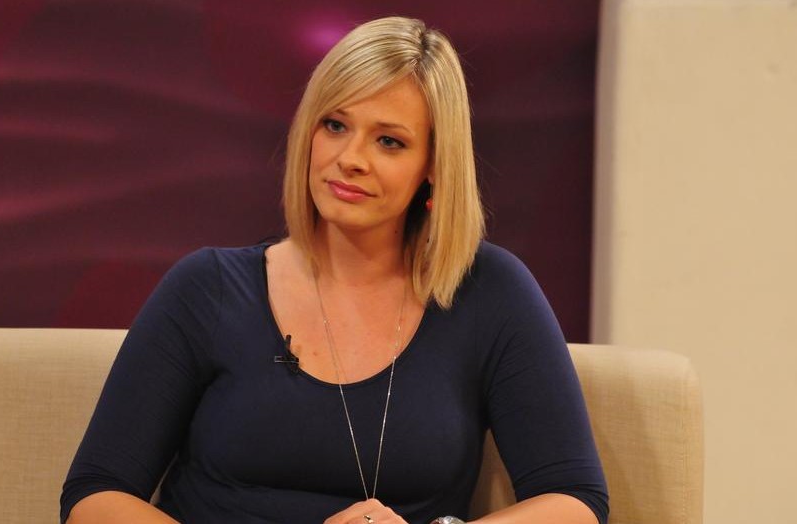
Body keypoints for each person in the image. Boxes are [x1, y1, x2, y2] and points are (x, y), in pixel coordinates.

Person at [60, 16, 608, 524]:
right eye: (335, 125)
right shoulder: (207, 288)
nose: (351, 158)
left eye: (389, 141)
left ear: (434, 165)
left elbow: (575, 500)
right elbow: (95, 493)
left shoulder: (488, 292)